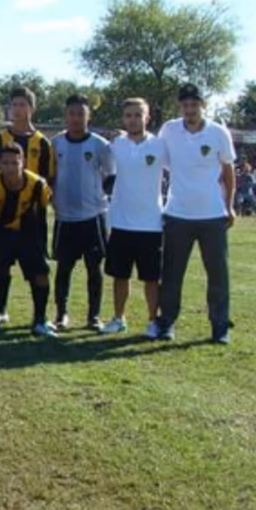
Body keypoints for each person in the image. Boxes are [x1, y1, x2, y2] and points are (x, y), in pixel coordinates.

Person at [156, 83, 236, 344]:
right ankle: (166, 322)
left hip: (212, 215)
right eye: (185, 105)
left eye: (194, 105)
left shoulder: (218, 133)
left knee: (218, 274)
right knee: (171, 274)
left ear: (203, 105)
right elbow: (159, 161)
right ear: (180, 107)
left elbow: (228, 171)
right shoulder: (169, 130)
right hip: (177, 214)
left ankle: (220, 326)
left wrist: (230, 205)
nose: (190, 110)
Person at [101, 98, 167, 337]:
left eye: (138, 115)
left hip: (151, 224)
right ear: (123, 119)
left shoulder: (160, 146)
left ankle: (153, 321)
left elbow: (180, 171)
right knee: (120, 276)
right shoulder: (115, 145)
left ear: (147, 118)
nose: (133, 119)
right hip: (120, 222)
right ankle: (118, 319)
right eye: (128, 115)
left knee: (151, 279)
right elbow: (104, 172)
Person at [50, 94, 115, 331]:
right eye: (72, 113)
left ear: (88, 116)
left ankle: (94, 316)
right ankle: (61, 314)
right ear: (66, 115)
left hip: (93, 217)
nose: (76, 118)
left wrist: (101, 200)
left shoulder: (99, 145)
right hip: (65, 218)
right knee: (64, 268)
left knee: (94, 268)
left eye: (81, 113)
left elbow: (110, 177)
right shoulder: (56, 143)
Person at [0, 87, 56, 323]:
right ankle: (0, 310)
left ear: (32, 108)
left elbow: (49, 179)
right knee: (0, 267)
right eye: (14, 104)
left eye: (23, 104)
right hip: (2, 216)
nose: (18, 109)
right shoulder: (0, 139)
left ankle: (39, 318)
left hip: (32, 218)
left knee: (38, 270)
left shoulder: (43, 142)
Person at [0, 142, 55, 339]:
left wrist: (41, 246)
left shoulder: (37, 184)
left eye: (15, 162)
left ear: (23, 162)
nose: (10, 167)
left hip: (27, 234)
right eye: (5, 163)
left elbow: (42, 216)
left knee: (41, 273)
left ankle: (39, 320)